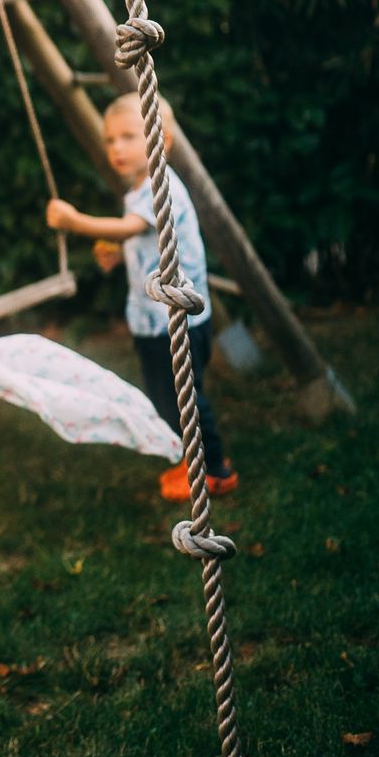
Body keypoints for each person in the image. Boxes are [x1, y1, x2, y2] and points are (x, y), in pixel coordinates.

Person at [45, 93, 238, 501]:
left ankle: (215, 469)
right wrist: (116, 254)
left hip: (176, 319)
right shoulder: (139, 189)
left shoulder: (160, 184)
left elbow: (133, 227)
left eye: (128, 137)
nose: (117, 147)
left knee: (184, 397)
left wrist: (73, 221)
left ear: (162, 141)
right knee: (168, 397)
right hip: (155, 320)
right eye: (110, 139)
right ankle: (189, 463)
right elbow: (142, 236)